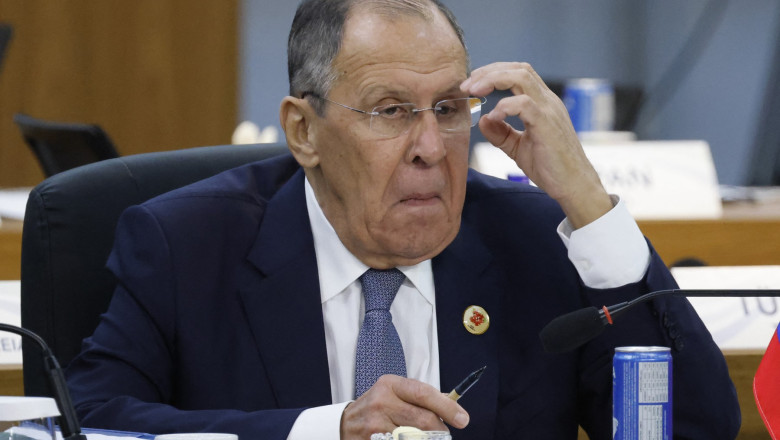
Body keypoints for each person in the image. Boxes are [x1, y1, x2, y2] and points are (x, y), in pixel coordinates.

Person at [65, 0, 741, 439]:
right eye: (390, 111)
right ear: (303, 131)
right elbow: (91, 422)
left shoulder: (538, 242)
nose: (430, 147)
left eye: (448, 110)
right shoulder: (186, 245)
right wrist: (327, 429)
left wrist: (590, 204)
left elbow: (696, 428)